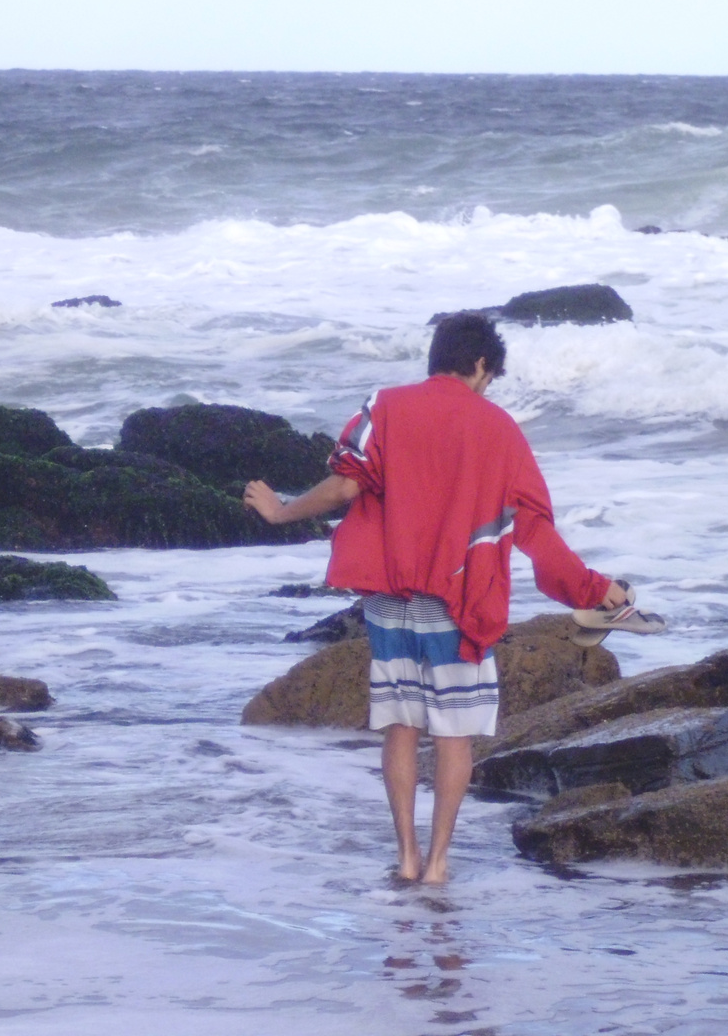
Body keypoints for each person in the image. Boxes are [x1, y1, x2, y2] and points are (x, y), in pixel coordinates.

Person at [244, 313, 626, 884]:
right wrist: (598, 590)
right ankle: (439, 864)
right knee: (453, 734)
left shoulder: (385, 407)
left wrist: (280, 510)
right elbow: (536, 534)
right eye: (489, 376)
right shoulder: (500, 430)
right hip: (458, 598)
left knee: (399, 727)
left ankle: (405, 857)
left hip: (388, 598)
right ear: (478, 365)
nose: (487, 386)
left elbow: (346, 484)